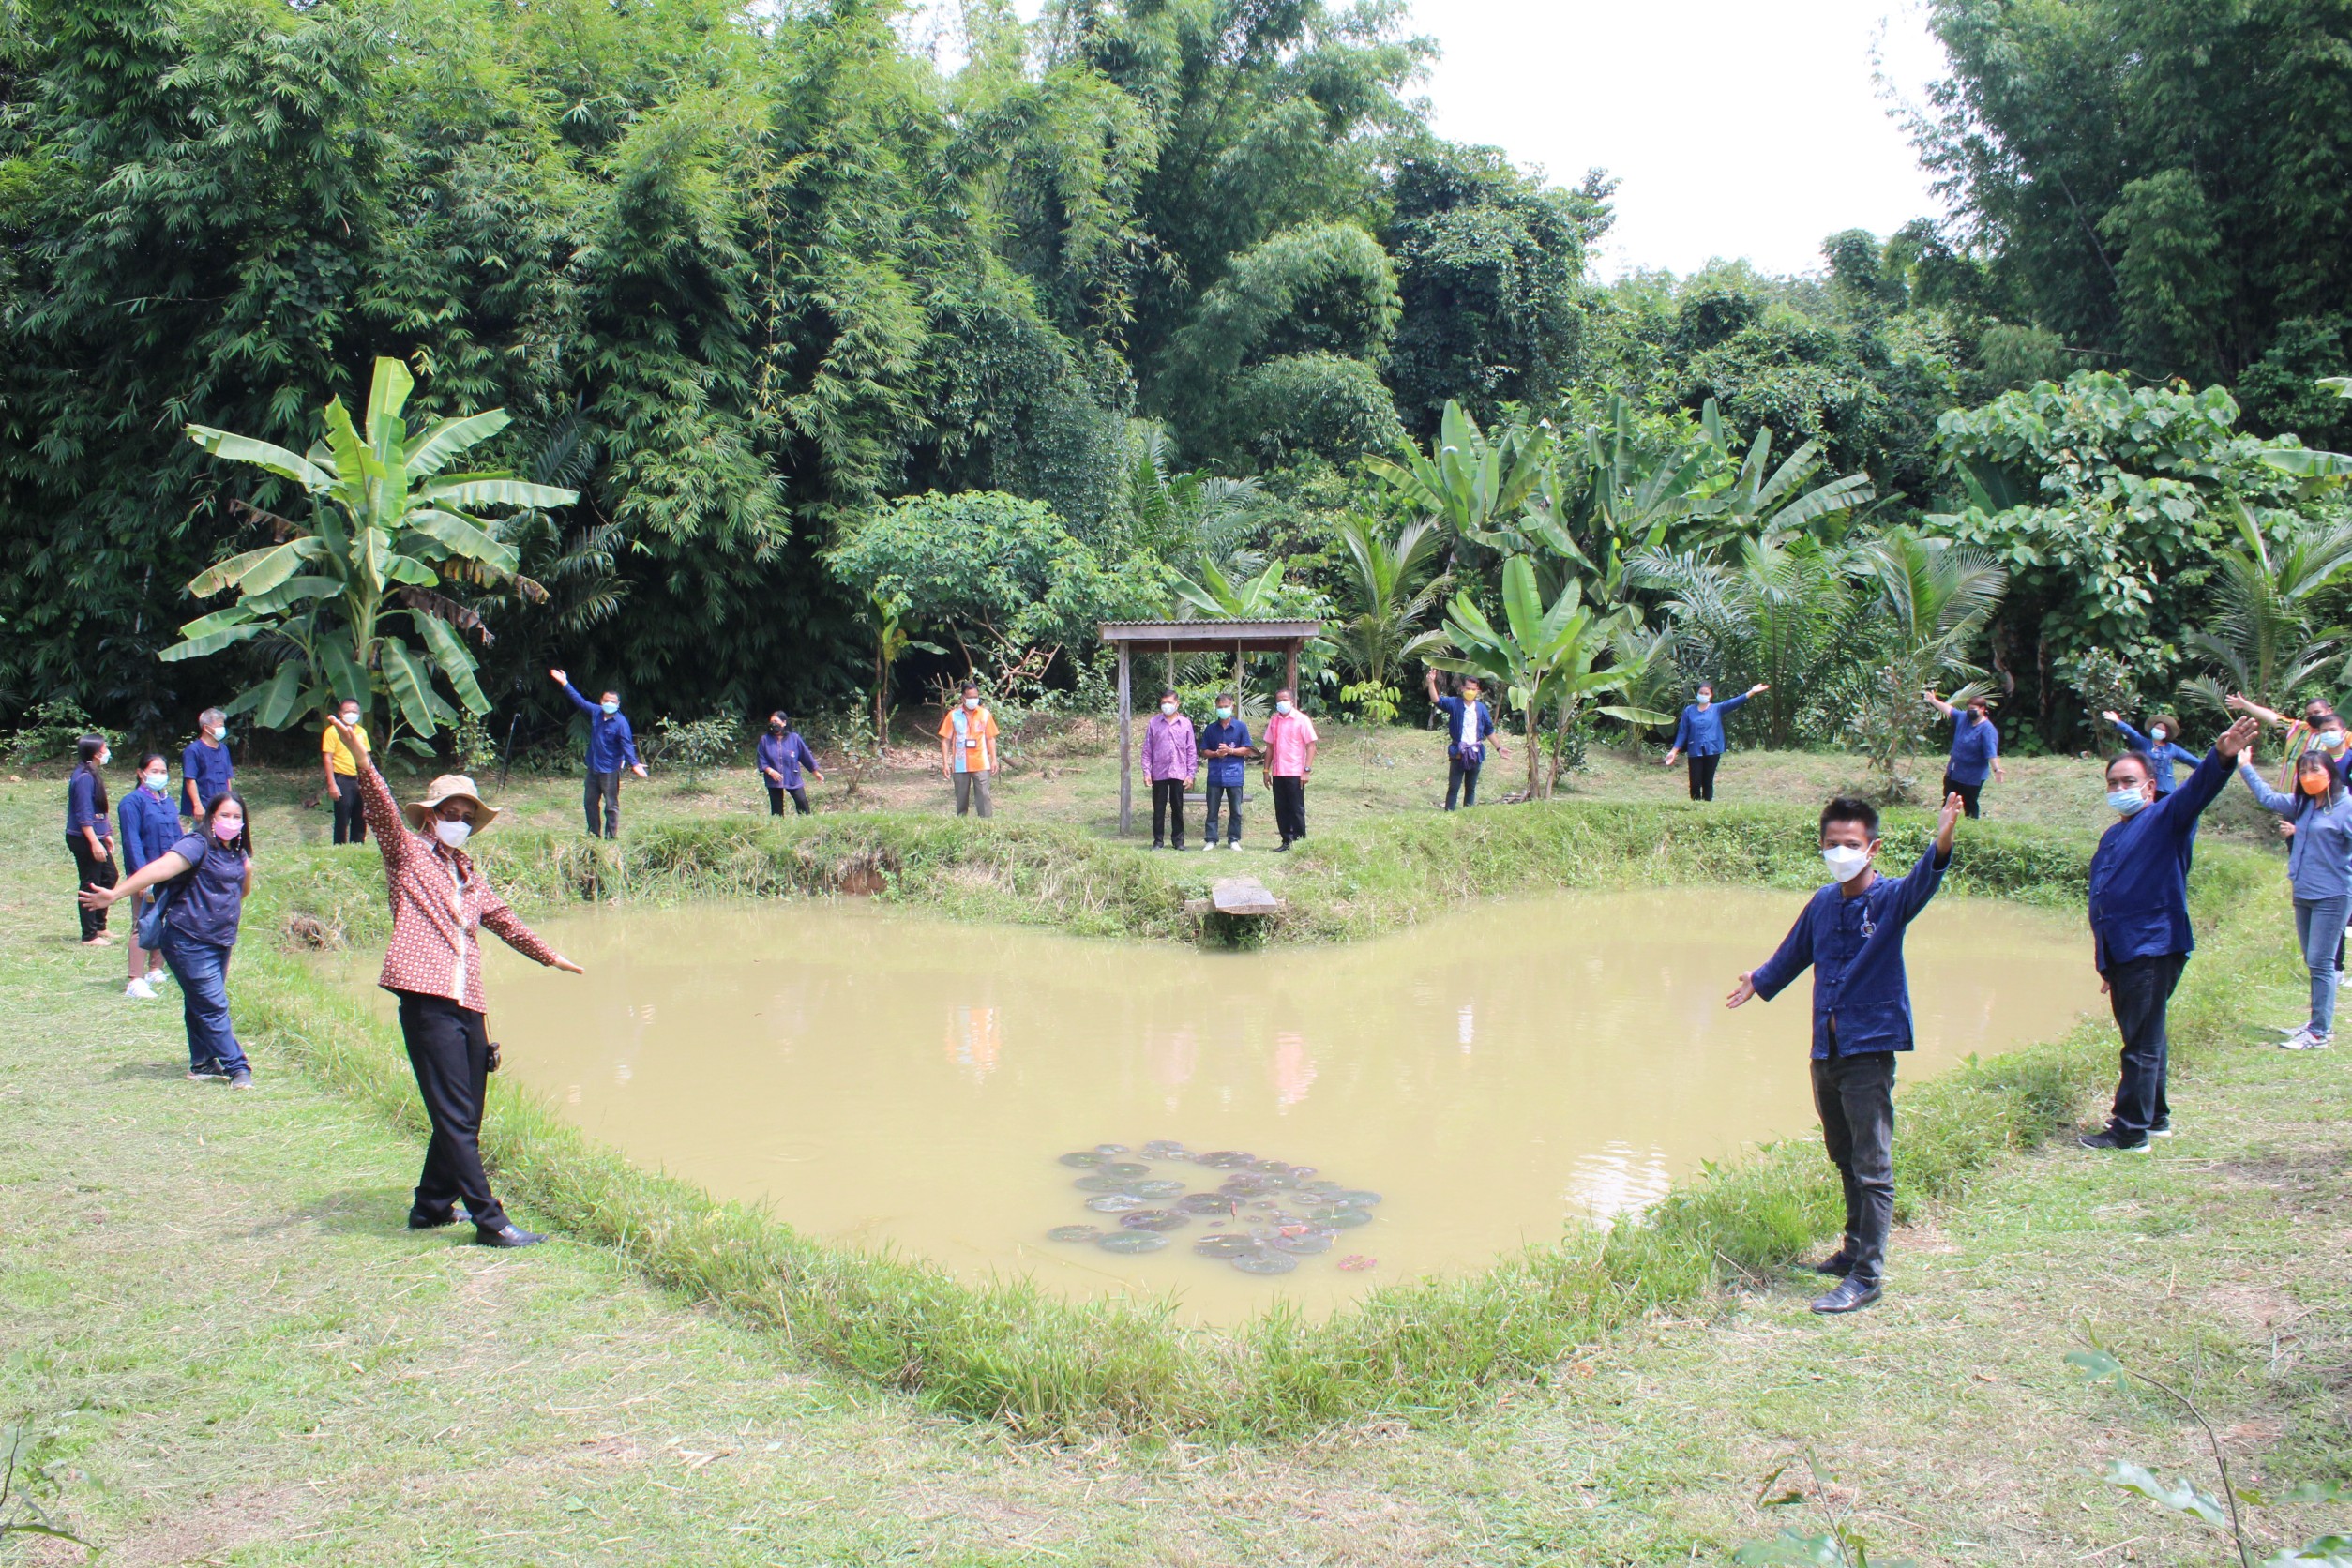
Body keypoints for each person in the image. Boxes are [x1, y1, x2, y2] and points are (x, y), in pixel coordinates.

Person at [329, 713, 584, 1247]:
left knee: (466, 1111)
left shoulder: (467, 872)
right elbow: (377, 810)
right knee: (455, 1114)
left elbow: (504, 919)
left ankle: (431, 1207)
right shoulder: (407, 855)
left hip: (468, 1000)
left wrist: (549, 956)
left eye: (467, 815)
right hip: (427, 1000)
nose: (459, 821)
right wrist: (366, 762)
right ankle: (490, 1222)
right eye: (451, 812)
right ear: (431, 816)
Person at [1727, 791, 1966, 1314]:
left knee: (1872, 1163)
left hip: (1869, 1049)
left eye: (1851, 843)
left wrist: (1943, 838)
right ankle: (1852, 1250)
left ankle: (1867, 1276)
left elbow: (1927, 879)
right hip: (1826, 1048)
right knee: (1843, 1156)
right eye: (1832, 843)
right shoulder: (1821, 902)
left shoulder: (1889, 901)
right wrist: (1758, 981)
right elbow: (1793, 954)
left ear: (1873, 848)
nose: (1841, 851)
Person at [2082, 716, 2261, 1152]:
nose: (2119, 787)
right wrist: (2107, 961)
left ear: (2149, 786)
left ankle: (2130, 1131)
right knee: (2146, 1036)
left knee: (2139, 1043)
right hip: (2125, 951)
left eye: (2128, 780)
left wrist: (2222, 756)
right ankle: (2155, 1116)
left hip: (2154, 944)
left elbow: (2199, 789)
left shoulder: (2167, 818)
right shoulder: (2112, 836)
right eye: (2112, 782)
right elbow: (2106, 899)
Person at [82, 789, 257, 1087]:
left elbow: (241, 891)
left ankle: (202, 1063)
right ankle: (238, 1068)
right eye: (224, 815)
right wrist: (115, 894)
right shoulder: (196, 845)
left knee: (199, 1001)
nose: (231, 821)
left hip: (221, 941)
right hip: (187, 939)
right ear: (211, 818)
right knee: (213, 1005)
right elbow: (159, 869)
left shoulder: (238, 855)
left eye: (237, 816)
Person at [2236, 742, 2352, 1049]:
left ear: (2331, 773)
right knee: (2313, 961)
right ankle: (2316, 1023)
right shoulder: (2303, 804)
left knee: (2322, 962)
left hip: (2333, 894)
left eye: (2315, 769)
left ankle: (2320, 1033)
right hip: (2303, 892)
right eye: (2303, 771)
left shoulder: (2346, 806)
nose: (2308, 775)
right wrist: (2246, 766)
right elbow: (2268, 798)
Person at [550, 669, 645, 838]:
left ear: (618, 705)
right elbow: (579, 701)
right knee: (589, 803)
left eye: (613, 702)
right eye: (606, 700)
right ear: (601, 702)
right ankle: (594, 834)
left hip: (609, 770)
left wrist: (635, 764)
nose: (609, 703)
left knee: (611, 805)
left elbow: (626, 745)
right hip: (593, 767)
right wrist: (564, 682)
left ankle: (611, 838)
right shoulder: (596, 712)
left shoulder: (621, 723)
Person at [118, 752, 178, 999]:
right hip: (146, 872)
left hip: (171, 871)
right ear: (140, 773)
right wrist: (141, 877)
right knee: (142, 922)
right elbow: (132, 841)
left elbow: (178, 835)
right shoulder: (131, 803)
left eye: (163, 771)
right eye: (154, 771)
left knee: (165, 920)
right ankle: (135, 979)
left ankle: (156, 968)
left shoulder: (167, 801)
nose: (160, 775)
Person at [1663, 681, 1770, 802]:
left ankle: (1707, 805)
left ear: (1711, 695)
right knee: (1695, 782)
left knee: (1707, 781)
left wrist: (1752, 692)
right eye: (1701, 693)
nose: (1703, 695)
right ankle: (1695, 806)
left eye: (1706, 693)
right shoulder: (1689, 711)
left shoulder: (1717, 708)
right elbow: (1683, 732)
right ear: (1697, 694)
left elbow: (1734, 702)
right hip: (1695, 750)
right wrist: (1673, 752)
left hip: (1713, 749)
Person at [1427, 671, 1507, 810]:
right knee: (1454, 787)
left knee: (1471, 788)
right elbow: (1436, 700)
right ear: (1462, 688)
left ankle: (1468, 814)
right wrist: (1430, 683)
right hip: (1458, 752)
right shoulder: (1454, 704)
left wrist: (1499, 748)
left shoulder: (1481, 709)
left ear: (1478, 691)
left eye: (1473, 689)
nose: (1470, 691)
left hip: (1475, 753)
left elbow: (1489, 730)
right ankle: (1449, 813)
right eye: (1468, 688)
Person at [67, 735, 117, 946]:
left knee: (109, 876)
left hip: (95, 835)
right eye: (105, 748)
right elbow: (84, 814)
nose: (107, 752)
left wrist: (106, 833)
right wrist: (94, 842)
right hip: (83, 838)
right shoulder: (84, 777)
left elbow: (97, 810)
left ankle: (99, 925)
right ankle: (89, 935)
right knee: (91, 883)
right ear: (96, 753)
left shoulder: (92, 772)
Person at [1923, 689, 2005, 817]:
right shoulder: (1963, 718)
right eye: (1969, 708)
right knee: (1949, 799)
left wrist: (1997, 769)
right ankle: (1945, 824)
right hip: (1955, 770)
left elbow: (1991, 752)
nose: (1969, 711)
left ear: (1982, 709)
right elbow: (1948, 710)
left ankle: (1971, 827)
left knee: (1969, 803)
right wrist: (1933, 700)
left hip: (1973, 775)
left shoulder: (1987, 730)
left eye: (1973, 709)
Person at [1140, 688, 1198, 850]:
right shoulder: (1154, 723)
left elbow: (1191, 750)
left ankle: (1178, 842)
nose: (1166, 706)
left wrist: (1190, 775)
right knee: (1158, 808)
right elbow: (1147, 750)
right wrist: (1146, 772)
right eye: (1164, 703)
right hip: (1158, 773)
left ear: (1177, 703)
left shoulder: (1185, 724)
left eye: (1170, 703)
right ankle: (1158, 841)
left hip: (1179, 773)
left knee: (1177, 808)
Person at [1261, 688, 1318, 852]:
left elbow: (1311, 746)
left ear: (1292, 701)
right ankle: (1286, 840)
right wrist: (1266, 771)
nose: (1281, 703)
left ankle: (1300, 842)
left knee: (1296, 808)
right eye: (1278, 700)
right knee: (1281, 808)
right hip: (1278, 772)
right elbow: (1270, 747)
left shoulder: (1302, 720)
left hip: (1295, 772)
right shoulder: (1274, 720)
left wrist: (1306, 770)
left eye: (1284, 699)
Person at [937, 681, 1000, 818]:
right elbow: (945, 740)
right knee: (961, 798)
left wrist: (994, 759)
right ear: (963, 698)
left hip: (981, 762)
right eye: (970, 697)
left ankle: (986, 824)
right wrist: (945, 764)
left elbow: (991, 738)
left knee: (984, 796)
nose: (973, 700)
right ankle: (962, 824)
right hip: (960, 764)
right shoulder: (953, 715)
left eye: (975, 696)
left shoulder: (985, 714)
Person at [1198, 694, 1252, 850]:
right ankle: (1211, 839)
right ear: (1216, 708)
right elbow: (1204, 751)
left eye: (1225, 706)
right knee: (1212, 810)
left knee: (1236, 810)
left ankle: (1233, 839)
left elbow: (1247, 749)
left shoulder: (1241, 727)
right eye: (1220, 707)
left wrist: (1230, 751)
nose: (1223, 709)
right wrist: (1216, 754)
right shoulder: (1210, 728)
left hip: (1234, 775)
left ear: (1232, 706)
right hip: (1215, 776)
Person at [2100, 710, 2198, 796]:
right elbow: (2131, 732)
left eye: (2162, 730)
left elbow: (2190, 759)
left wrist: (2210, 766)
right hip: (2147, 785)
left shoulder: (2172, 748)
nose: (2159, 731)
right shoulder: (2143, 743)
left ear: (2166, 734)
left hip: (2166, 788)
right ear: (2152, 729)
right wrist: (2118, 721)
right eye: (2157, 728)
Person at [322, 697, 372, 844]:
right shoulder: (332, 732)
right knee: (342, 815)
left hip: (360, 778)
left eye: (354, 711)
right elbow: (327, 758)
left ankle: (358, 843)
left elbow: (366, 756)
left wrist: (369, 781)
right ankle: (339, 845)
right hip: (343, 778)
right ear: (340, 713)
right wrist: (332, 784)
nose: (351, 714)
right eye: (347, 711)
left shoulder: (362, 732)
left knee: (361, 815)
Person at [757, 712, 823, 816]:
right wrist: (770, 771)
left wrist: (815, 772)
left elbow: (805, 756)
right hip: (773, 779)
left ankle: (806, 824)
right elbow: (761, 759)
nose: (773, 724)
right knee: (776, 809)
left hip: (792, 775)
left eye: (776, 721)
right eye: (771, 722)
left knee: (802, 801)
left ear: (784, 723)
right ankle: (778, 828)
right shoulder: (765, 740)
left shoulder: (794, 739)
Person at [181, 707, 233, 821]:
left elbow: (228, 777)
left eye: (222, 725)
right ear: (206, 728)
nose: (222, 729)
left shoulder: (223, 749)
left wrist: (230, 800)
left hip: (222, 804)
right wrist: (197, 805)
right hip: (204, 805)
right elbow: (190, 779)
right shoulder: (193, 750)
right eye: (219, 726)